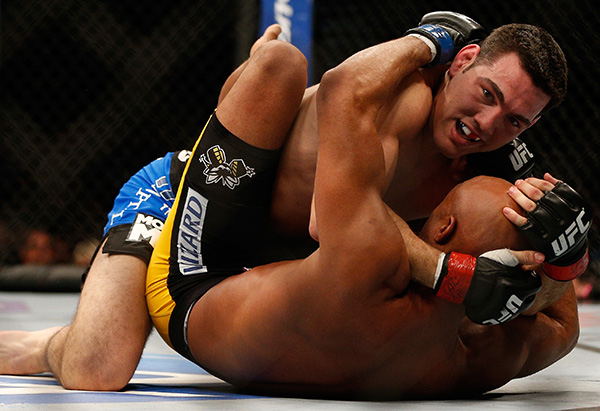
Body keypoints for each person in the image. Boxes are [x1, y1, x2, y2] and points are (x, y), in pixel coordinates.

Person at [0, 13, 587, 391]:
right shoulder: (395, 100)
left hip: (278, 267)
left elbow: (547, 294)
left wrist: (567, 253)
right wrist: (426, 39)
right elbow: (336, 219)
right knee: (95, 369)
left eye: (514, 120)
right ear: (461, 62)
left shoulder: (497, 164)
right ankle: (45, 346)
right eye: (486, 94)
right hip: (193, 206)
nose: (487, 124)